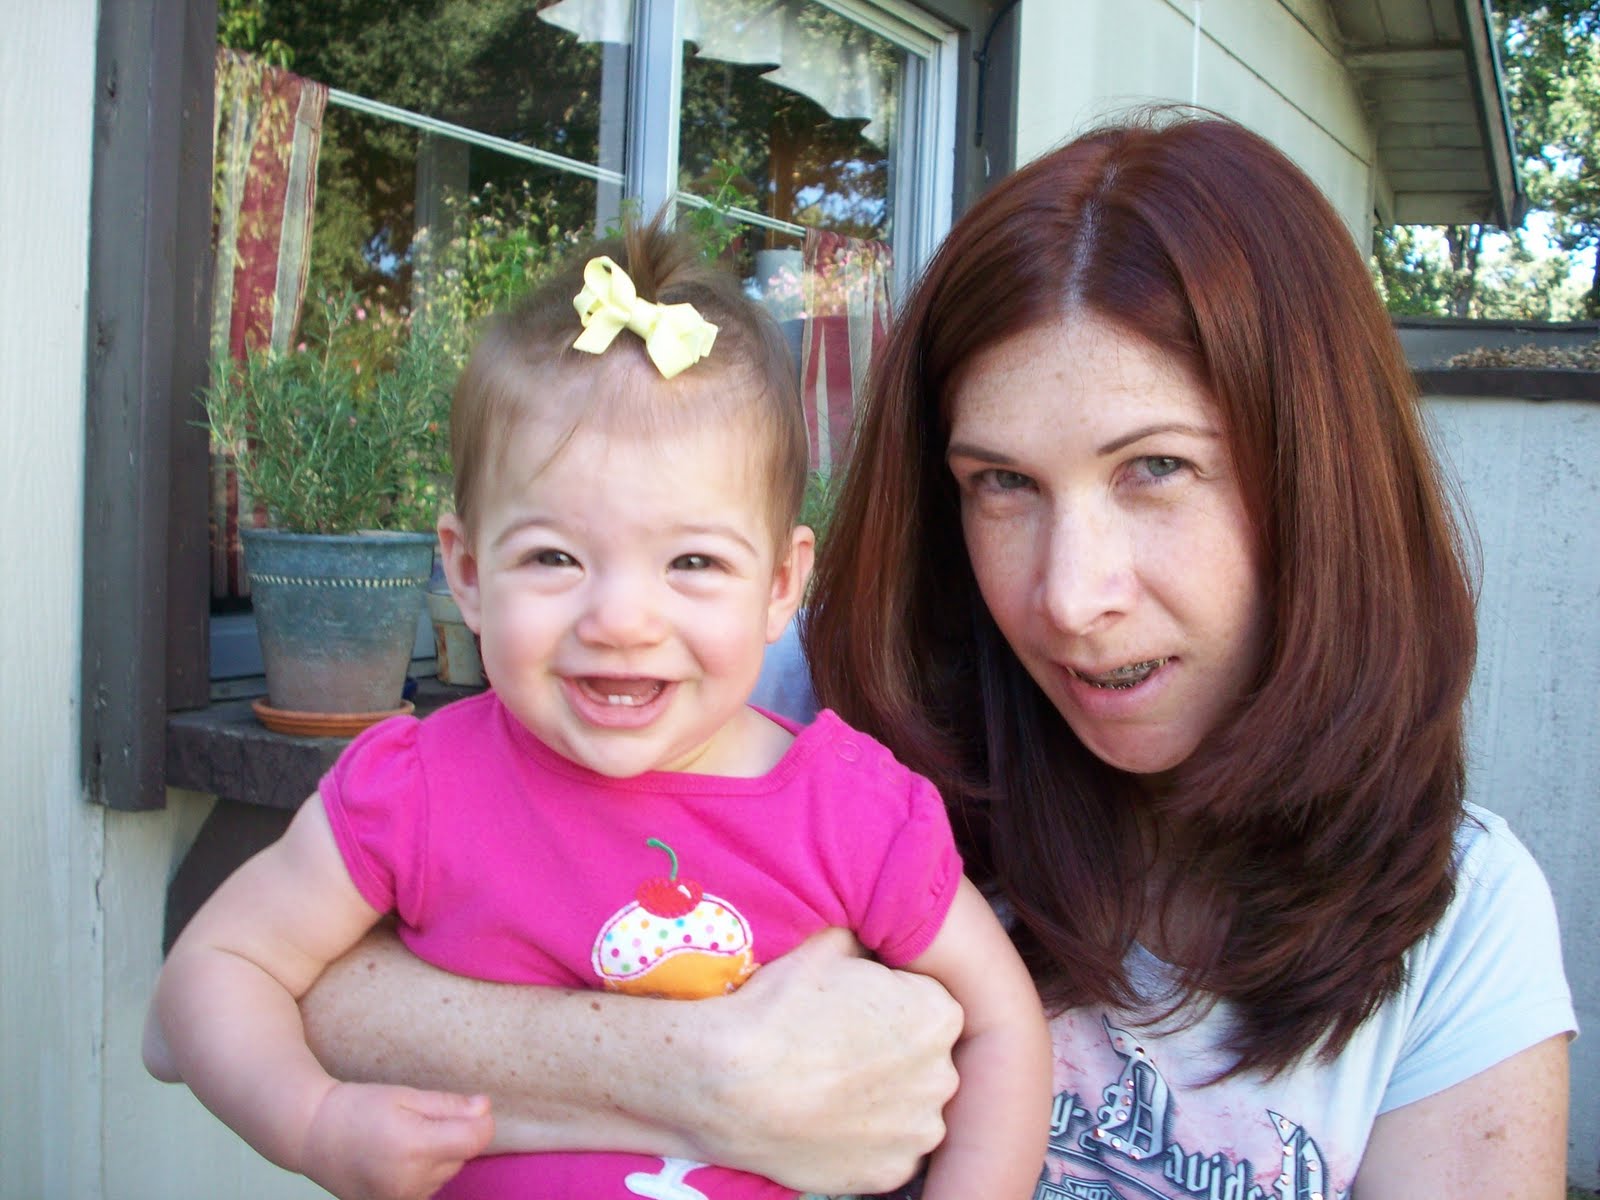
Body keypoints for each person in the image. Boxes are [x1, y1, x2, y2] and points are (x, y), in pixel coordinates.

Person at [150, 112, 1577, 1200]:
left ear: (1316, 479)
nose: (1070, 596)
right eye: (1000, 484)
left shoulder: (1461, 927)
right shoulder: (794, 708)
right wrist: (693, 1076)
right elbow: (211, 972)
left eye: (1155, 469)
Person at [145, 220, 1052, 1200]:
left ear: (782, 585)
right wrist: (310, 1119)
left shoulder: (851, 808)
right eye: (555, 557)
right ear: (466, 573)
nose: (620, 620)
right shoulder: (412, 791)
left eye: (692, 561)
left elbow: (1003, 1025)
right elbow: (216, 968)